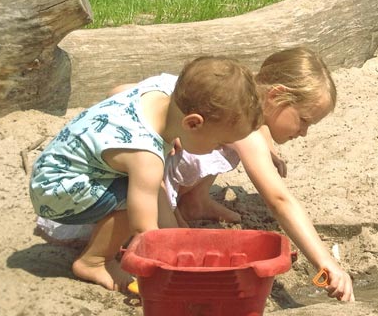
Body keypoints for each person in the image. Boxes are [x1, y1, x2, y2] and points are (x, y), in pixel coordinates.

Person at [122, 46, 355, 303]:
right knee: (179, 255)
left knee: (226, 142)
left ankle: (195, 201)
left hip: (143, 167)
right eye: (304, 120)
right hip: (140, 186)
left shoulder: (223, 95)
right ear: (277, 96)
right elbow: (279, 200)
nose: (304, 132)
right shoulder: (243, 128)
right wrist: (327, 263)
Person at [29, 56, 262, 292]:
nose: (220, 149)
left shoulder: (163, 88)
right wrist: (167, 265)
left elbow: (115, 91)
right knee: (133, 200)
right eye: (220, 142)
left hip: (53, 166)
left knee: (146, 188)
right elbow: (144, 227)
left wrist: (178, 238)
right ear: (192, 124)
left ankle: (164, 234)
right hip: (57, 190)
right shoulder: (145, 156)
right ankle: (95, 260)